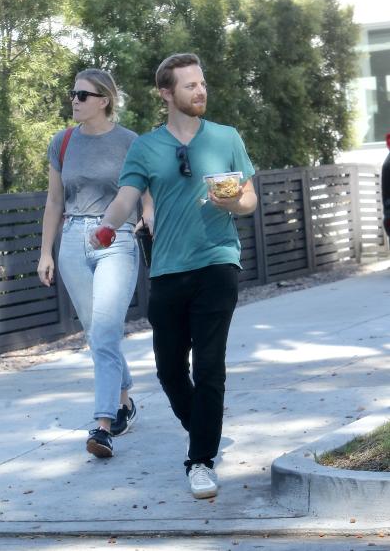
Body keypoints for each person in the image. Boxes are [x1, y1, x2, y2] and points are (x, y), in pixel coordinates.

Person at [90, 53, 257, 498]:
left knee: (208, 365)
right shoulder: (145, 147)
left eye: (202, 84)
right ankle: (204, 427)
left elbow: (250, 199)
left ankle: (200, 459)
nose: (200, 92)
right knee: (168, 370)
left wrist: (234, 203)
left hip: (218, 263)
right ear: (166, 93)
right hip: (167, 269)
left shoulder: (226, 137)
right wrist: (107, 227)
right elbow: (127, 197)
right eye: (190, 86)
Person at [37, 68, 153, 459]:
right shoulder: (62, 142)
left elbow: (146, 189)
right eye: (73, 94)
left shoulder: (129, 142)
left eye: (82, 95)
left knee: (105, 330)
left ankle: (102, 425)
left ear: (104, 100)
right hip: (72, 239)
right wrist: (45, 252)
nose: (74, 100)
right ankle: (125, 399)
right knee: (97, 332)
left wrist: (146, 214)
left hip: (115, 239)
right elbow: (54, 202)